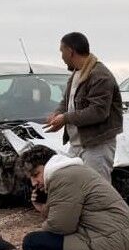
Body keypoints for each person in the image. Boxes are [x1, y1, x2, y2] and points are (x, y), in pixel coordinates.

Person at [45, 31, 124, 179]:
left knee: (98, 191)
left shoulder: (99, 75)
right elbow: (68, 101)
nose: (61, 57)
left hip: (96, 146)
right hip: (78, 145)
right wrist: (57, 114)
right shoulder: (77, 73)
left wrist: (65, 118)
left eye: (62, 51)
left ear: (70, 51)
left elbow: (98, 112)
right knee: (78, 188)